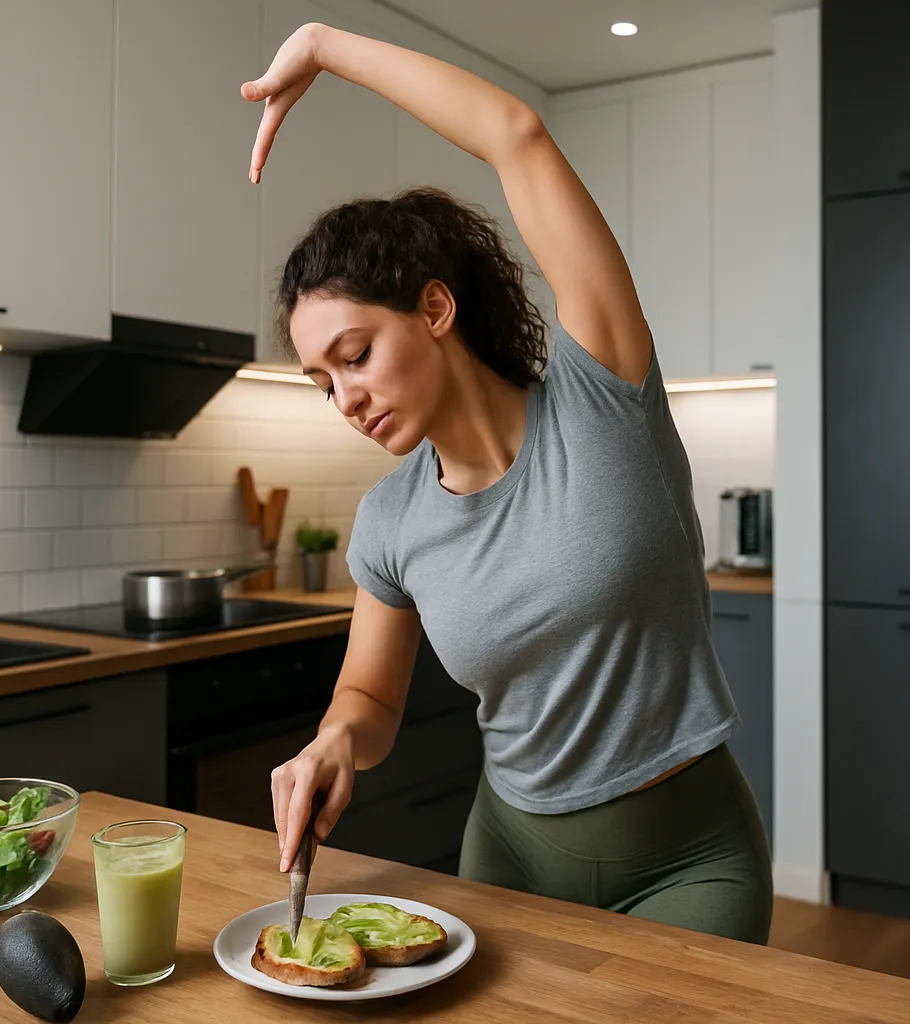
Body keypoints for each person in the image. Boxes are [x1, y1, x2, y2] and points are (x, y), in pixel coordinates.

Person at [244, 21, 773, 943]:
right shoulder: (389, 521)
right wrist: (333, 742)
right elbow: (369, 701)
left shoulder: (600, 389)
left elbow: (515, 134)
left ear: (436, 309)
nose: (344, 398)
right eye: (323, 380)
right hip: (511, 862)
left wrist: (327, 46)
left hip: (690, 860)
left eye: (356, 355)